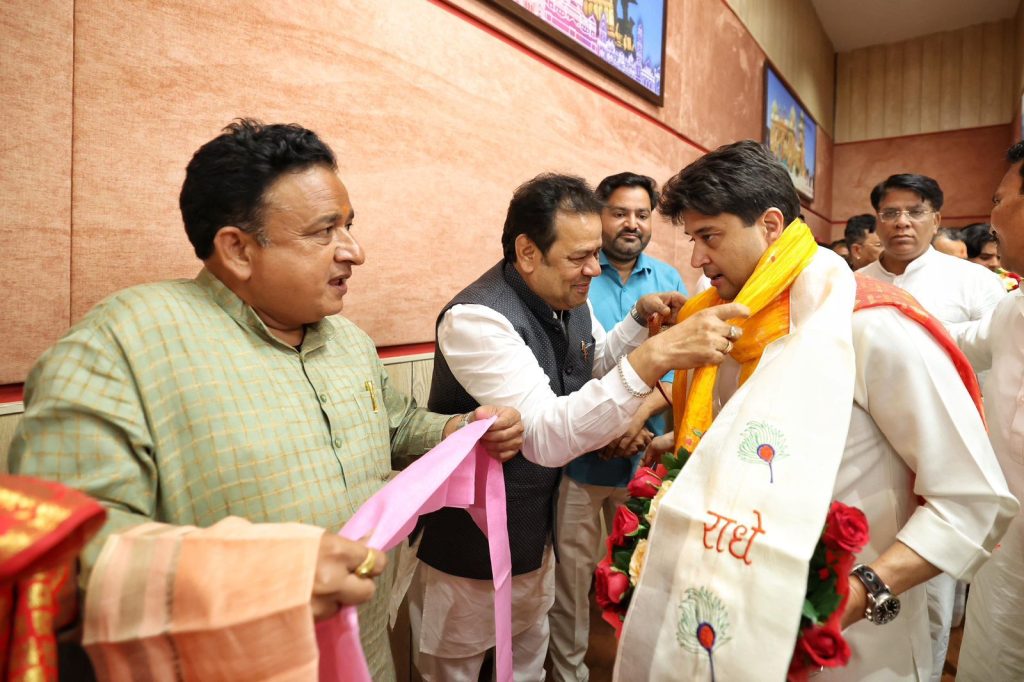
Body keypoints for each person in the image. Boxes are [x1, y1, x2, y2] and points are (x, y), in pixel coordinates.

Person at [7, 119, 523, 681]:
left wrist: (456, 431)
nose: (355, 252)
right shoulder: (119, 346)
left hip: (368, 655)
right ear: (238, 250)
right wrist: (258, 576)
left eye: (349, 226)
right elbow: (62, 556)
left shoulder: (349, 340)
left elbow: (394, 427)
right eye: (324, 232)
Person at [613, 141, 1015, 681]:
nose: (696, 259)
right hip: (740, 621)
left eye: (709, 237)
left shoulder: (869, 325)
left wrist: (857, 595)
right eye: (693, 239)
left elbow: (971, 498)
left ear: (770, 225)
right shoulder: (728, 324)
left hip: (856, 643)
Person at [408, 173, 745, 681]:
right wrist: (655, 357)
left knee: (528, 656)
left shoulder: (570, 299)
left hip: (534, 530)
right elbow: (545, 435)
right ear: (527, 252)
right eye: (579, 257)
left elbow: (593, 363)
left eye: (595, 253)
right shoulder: (477, 320)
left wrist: (637, 323)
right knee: (456, 665)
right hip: (470, 544)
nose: (594, 268)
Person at [856, 174, 1007, 677]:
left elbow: (996, 362)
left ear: (937, 219)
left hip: (943, 454)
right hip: (870, 460)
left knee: (936, 593)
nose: (902, 222)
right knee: (872, 566)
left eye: (915, 211)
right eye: (890, 213)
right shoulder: (852, 284)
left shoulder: (974, 283)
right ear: (877, 221)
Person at [548, 171, 687, 682]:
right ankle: (569, 674)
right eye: (620, 212)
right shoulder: (576, 279)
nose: (632, 223)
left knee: (644, 575)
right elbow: (571, 367)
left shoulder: (670, 280)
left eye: (642, 214)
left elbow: (683, 366)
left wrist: (638, 417)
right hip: (579, 463)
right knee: (571, 584)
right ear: (599, 216)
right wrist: (611, 425)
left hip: (645, 460)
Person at [955, 141, 1024, 681]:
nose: (991, 216)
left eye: (1000, 200)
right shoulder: (1014, 310)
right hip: (1006, 560)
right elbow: (955, 340)